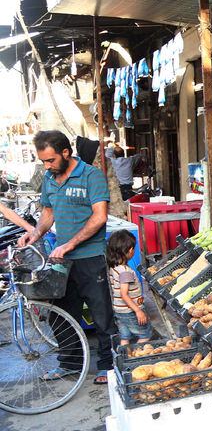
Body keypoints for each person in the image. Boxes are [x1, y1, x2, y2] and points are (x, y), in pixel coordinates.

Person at [18, 130, 115, 384]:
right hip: (61, 260)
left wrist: (70, 244)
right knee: (60, 313)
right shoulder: (51, 179)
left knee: (101, 314)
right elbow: (48, 212)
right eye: (43, 162)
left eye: (50, 160)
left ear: (65, 152)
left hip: (91, 257)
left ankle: (108, 365)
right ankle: (70, 363)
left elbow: (99, 217)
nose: (47, 166)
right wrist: (35, 234)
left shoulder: (91, 176)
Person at [107, 230, 152, 346]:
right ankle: (136, 356)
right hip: (130, 311)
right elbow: (124, 294)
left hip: (119, 311)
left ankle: (124, 357)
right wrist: (138, 311)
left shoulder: (114, 267)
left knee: (125, 336)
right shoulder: (125, 271)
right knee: (145, 334)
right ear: (130, 250)